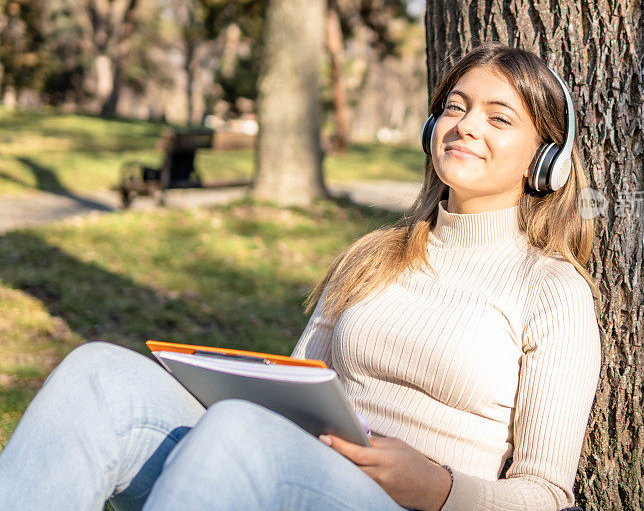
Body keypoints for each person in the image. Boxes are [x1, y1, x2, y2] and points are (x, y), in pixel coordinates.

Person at [0, 43, 602, 511]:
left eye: (499, 119)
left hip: (409, 503)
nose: (466, 126)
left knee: (242, 433)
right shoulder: (373, 255)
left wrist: (437, 487)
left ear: (544, 162)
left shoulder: (552, 291)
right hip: (291, 471)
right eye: (455, 107)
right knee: (100, 375)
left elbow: (546, 496)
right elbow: (296, 385)